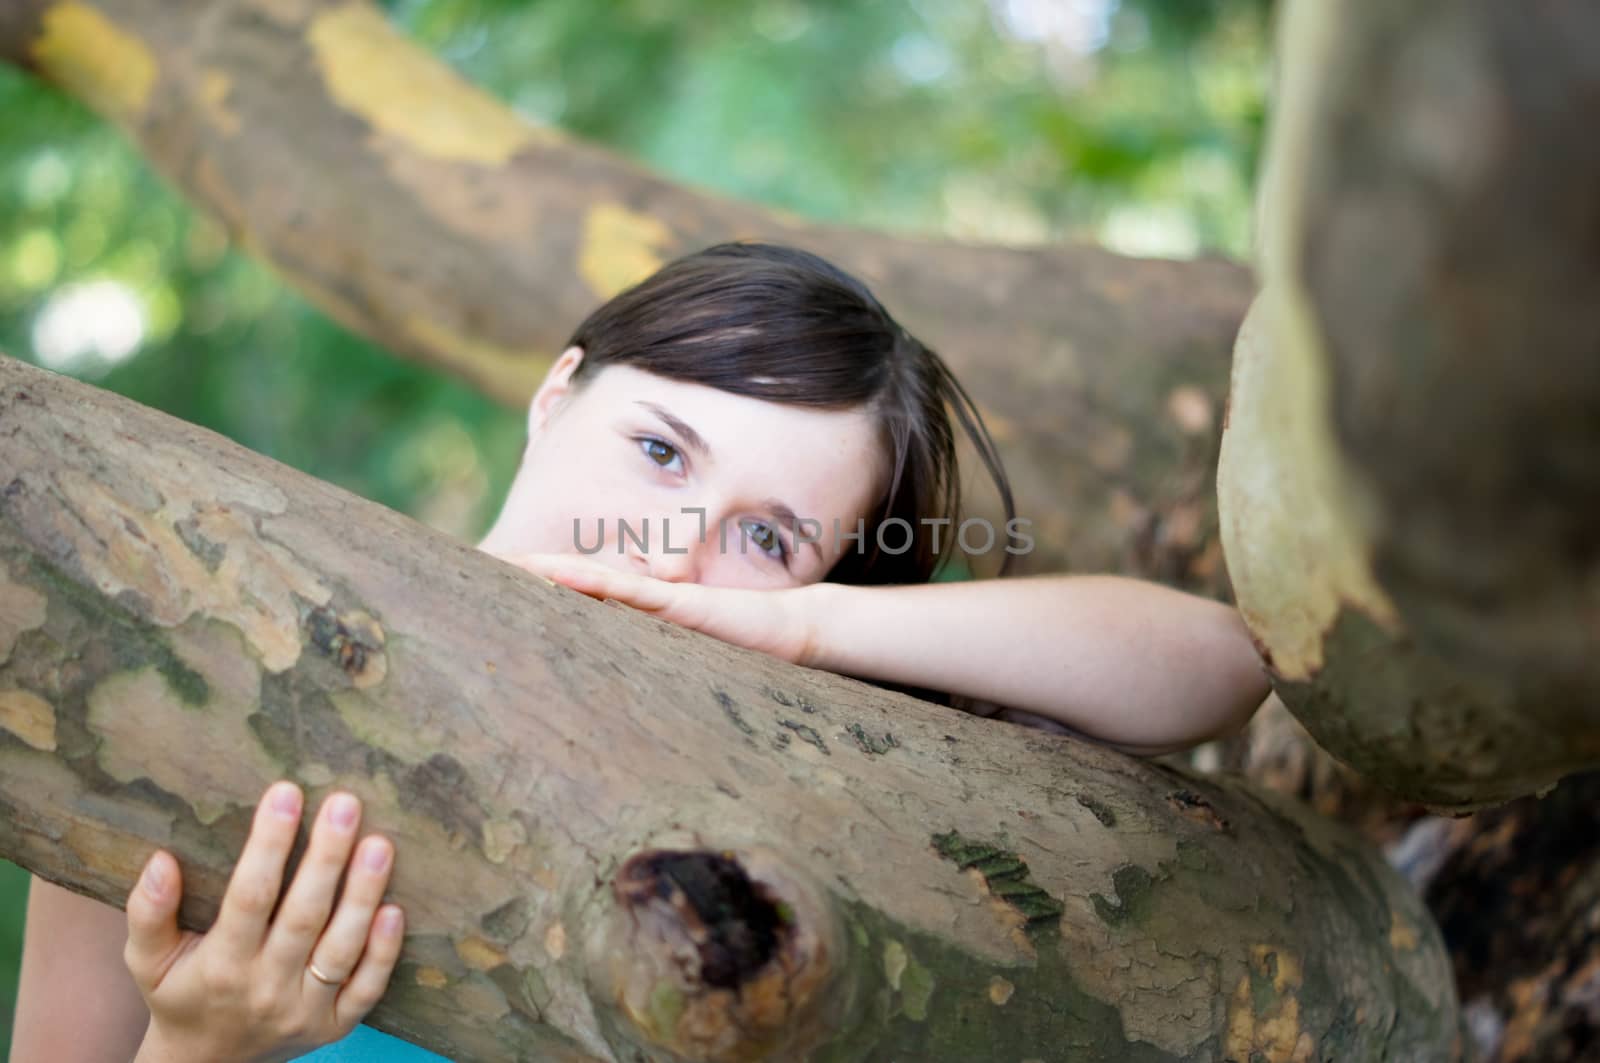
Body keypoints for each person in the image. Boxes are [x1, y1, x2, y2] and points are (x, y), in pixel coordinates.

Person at [11, 242, 1270, 1061]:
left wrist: (803, 623)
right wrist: (198, 1052)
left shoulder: (786, 817)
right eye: (661, 452)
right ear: (556, 395)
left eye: (767, 534)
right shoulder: (198, 680)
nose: (668, 542)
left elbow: (1219, 662)